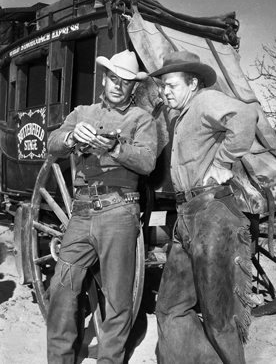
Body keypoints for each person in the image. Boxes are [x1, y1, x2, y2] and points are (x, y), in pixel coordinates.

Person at [46, 49, 157, 364]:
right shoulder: (83, 112)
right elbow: (52, 143)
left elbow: (147, 161)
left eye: (125, 82)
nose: (118, 86)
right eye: (113, 79)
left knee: (117, 300)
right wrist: (69, 138)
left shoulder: (142, 119)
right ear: (104, 78)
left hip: (119, 211)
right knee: (61, 288)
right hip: (81, 212)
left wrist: (116, 147)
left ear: (133, 87)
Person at [150, 51, 259, 364]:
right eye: (162, 86)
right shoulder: (182, 115)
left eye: (171, 84)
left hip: (212, 215)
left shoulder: (204, 100)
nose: (165, 91)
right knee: (169, 308)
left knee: (218, 316)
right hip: (187, 215)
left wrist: (223, 163)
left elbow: (245, 116)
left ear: (192, 82)